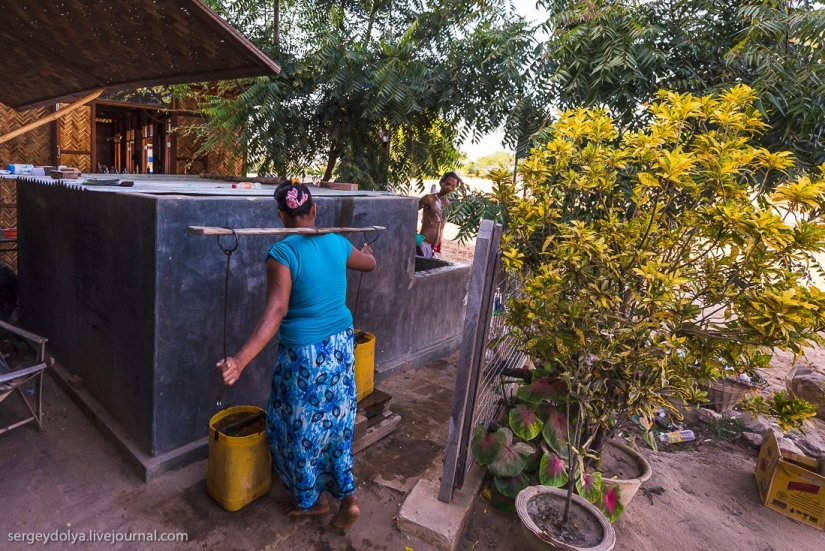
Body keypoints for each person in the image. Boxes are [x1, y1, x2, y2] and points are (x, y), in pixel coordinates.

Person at [216, 182, 376, 530]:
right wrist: (363, 249)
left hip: (305, 358)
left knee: (296, 429)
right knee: (336, 425)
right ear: (314, 210)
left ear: (281, 215)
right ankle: (347, 499)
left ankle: (313, 501)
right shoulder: (337, 242)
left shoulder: (283, 253)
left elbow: (276, 310)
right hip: (340, 349)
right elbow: (370, 264)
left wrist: (240, 360)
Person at [416, 172, 460, 259]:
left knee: (433, 271)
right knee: (420, 271)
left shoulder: (451, 202)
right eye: (448, 184)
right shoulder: (429, 199)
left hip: (437, 246)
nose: (450, 188)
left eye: (453, 186)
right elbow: (411, 211)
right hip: (423, 243)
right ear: (441, 183)